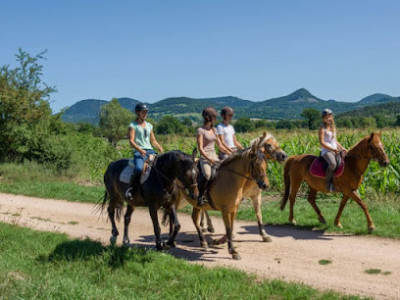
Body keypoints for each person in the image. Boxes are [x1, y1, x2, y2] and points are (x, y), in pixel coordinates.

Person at [125, 103, 164, 200]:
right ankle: (132, 189)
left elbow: (153, 140)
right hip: (139, 151)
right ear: (138, 113)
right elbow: (131, 141)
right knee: (139, 169)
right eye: (143, 112)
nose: (145, 114)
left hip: (150, 150)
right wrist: (139, 150)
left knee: (160, 167)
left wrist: (159, 147)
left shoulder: (149, 125)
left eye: (146, 112)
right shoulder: (133, 125)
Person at [197, 107, 232, 206]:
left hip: (214, 155)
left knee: (225, 172)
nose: (216, 119)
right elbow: (200, 148)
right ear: (208, 118)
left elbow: (220, 145)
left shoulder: (214, 130)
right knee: (207, 175)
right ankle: (201, 196)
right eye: (214, 117)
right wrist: (209, 159)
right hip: (205, 157)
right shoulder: (201, 130)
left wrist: (231, 153)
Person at [319, 108, 347, 192]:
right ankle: (327, 184)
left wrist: (342, 148)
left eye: (329, 117)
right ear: (323, 118)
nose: (328, 119)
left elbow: (334, 140)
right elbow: (322, 142)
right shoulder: (322, 128)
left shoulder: (332, 127)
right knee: (332, 164)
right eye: (326, 117)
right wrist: (332, 149)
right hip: (326, 151)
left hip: (334, 150)